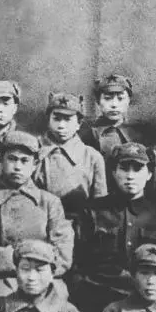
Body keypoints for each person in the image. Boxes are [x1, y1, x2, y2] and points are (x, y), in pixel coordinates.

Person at [0, 130, 73, 306]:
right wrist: (9, 258)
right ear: (0, 160)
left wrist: (32, 266)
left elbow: (63, 250)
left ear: (35, 164)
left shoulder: (50, 203)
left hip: (41, 280)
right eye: (12, 159)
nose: (18, 167)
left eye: (25, 161)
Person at [71, 143, 156, 312]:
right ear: (114, 173)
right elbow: (77, 265)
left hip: (143, 301)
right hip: (97, 300)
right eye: (124, 168)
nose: (130, 176)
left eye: (138, 169)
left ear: (149, 174)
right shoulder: (92, 212)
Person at [34, 92, 106, 220]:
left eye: (68, 120)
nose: (61, 126)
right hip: (39, 221)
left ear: (78, 124)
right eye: (56, 119)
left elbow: (100, 205)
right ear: (48, 120)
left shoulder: (92, 157)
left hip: (79, 225)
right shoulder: (33, 150)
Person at [80, 74, 144, 158]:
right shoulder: (88, 134)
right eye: (107, 98)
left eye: (120, 98)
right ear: (98, 102)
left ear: (128, 101)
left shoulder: (139, 133)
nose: (114, 104)